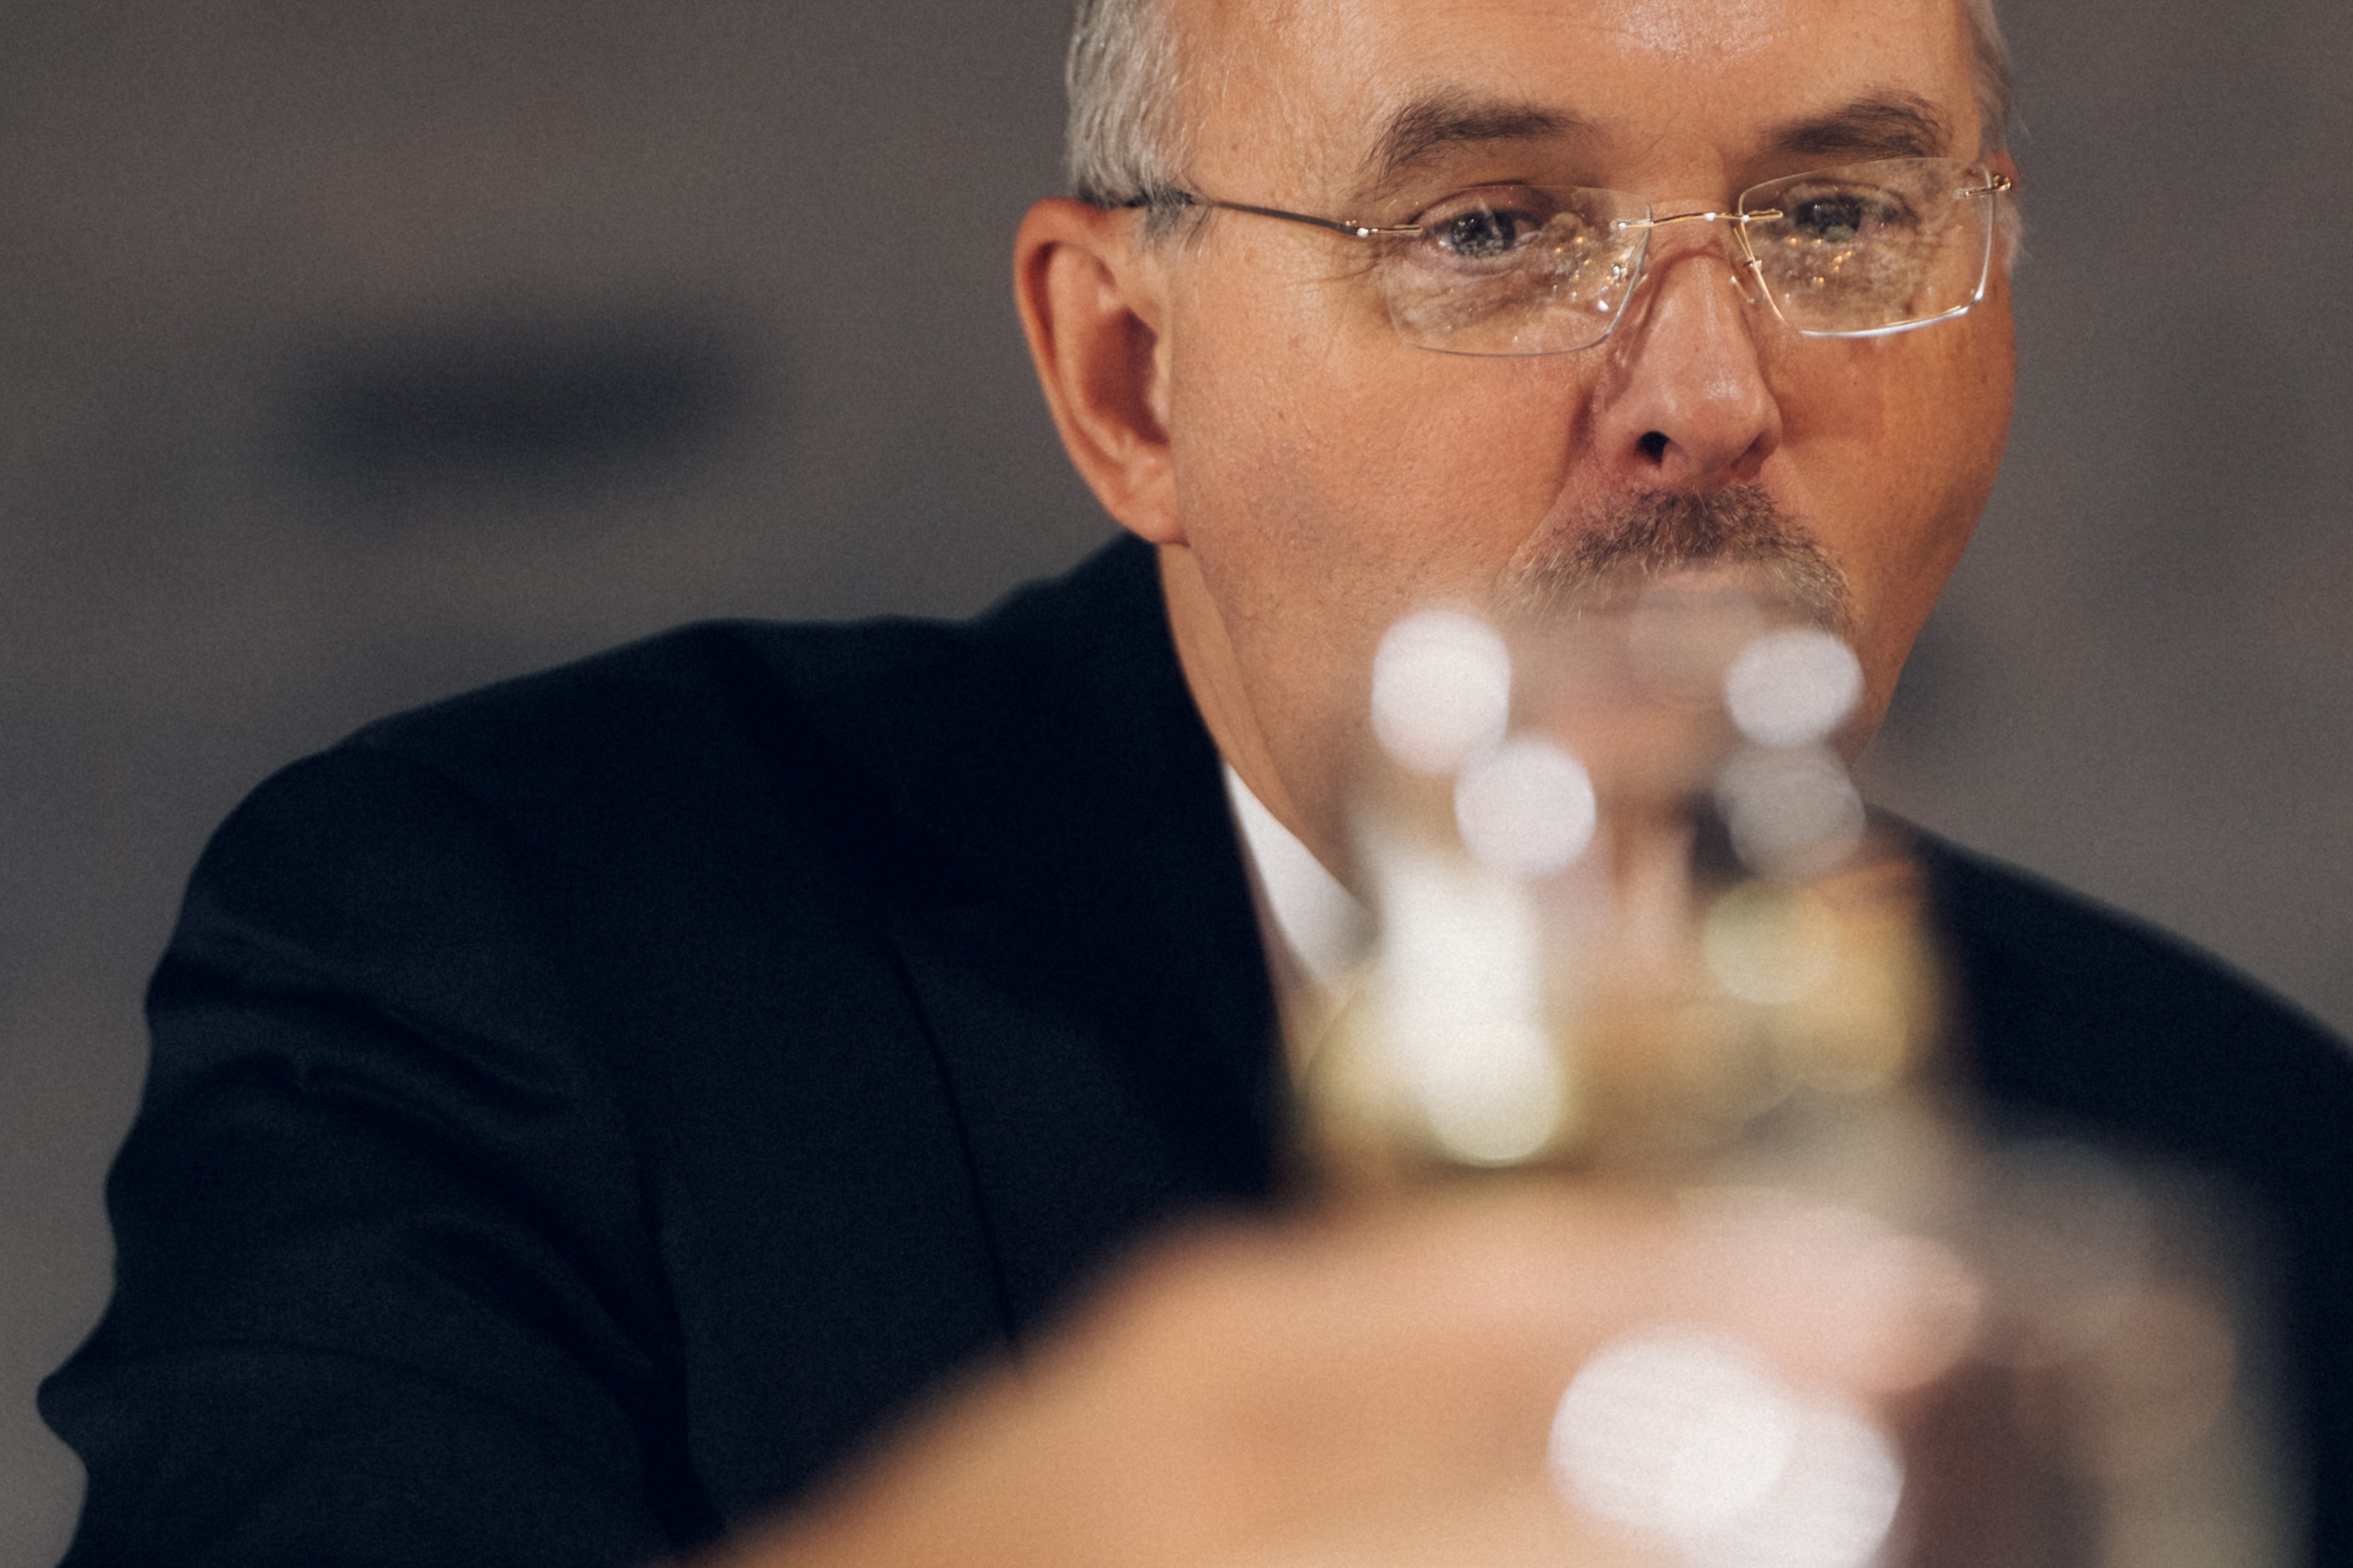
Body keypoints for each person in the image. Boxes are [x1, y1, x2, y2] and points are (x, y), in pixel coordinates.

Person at [39, 0, 2353, 1563]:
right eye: (1488, 229)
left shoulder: (2253, 1156)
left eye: (1836, 217)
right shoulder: (499, 950)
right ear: (1129, 380)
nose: (1705, 396)